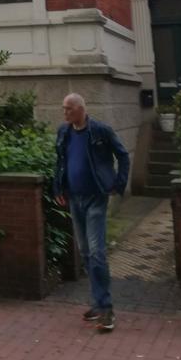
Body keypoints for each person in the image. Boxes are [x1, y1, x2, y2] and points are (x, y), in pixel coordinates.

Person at [53, 93, 130, 332]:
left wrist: (118, 184)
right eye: (64, 109)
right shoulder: (64, 132)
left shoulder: (99, 131)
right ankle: (97, 302)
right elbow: (60, 161)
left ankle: (106, 308)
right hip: (74, 198)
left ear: (80, 109)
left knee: (96, 251)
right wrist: (58, 187)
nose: (64, 113)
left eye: (68, 109)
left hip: (96, 196)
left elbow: (123, 155)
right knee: (85, 251)